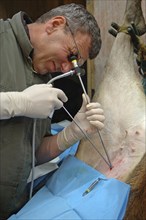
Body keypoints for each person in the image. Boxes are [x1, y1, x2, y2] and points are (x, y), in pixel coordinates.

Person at [0, 3, 104, 219]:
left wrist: (71, 134)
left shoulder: (46, 79)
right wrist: (15, 102)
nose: (67, 69)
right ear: (55, 25)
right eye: (72, 56)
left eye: (75, 66)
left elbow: (32, 155)